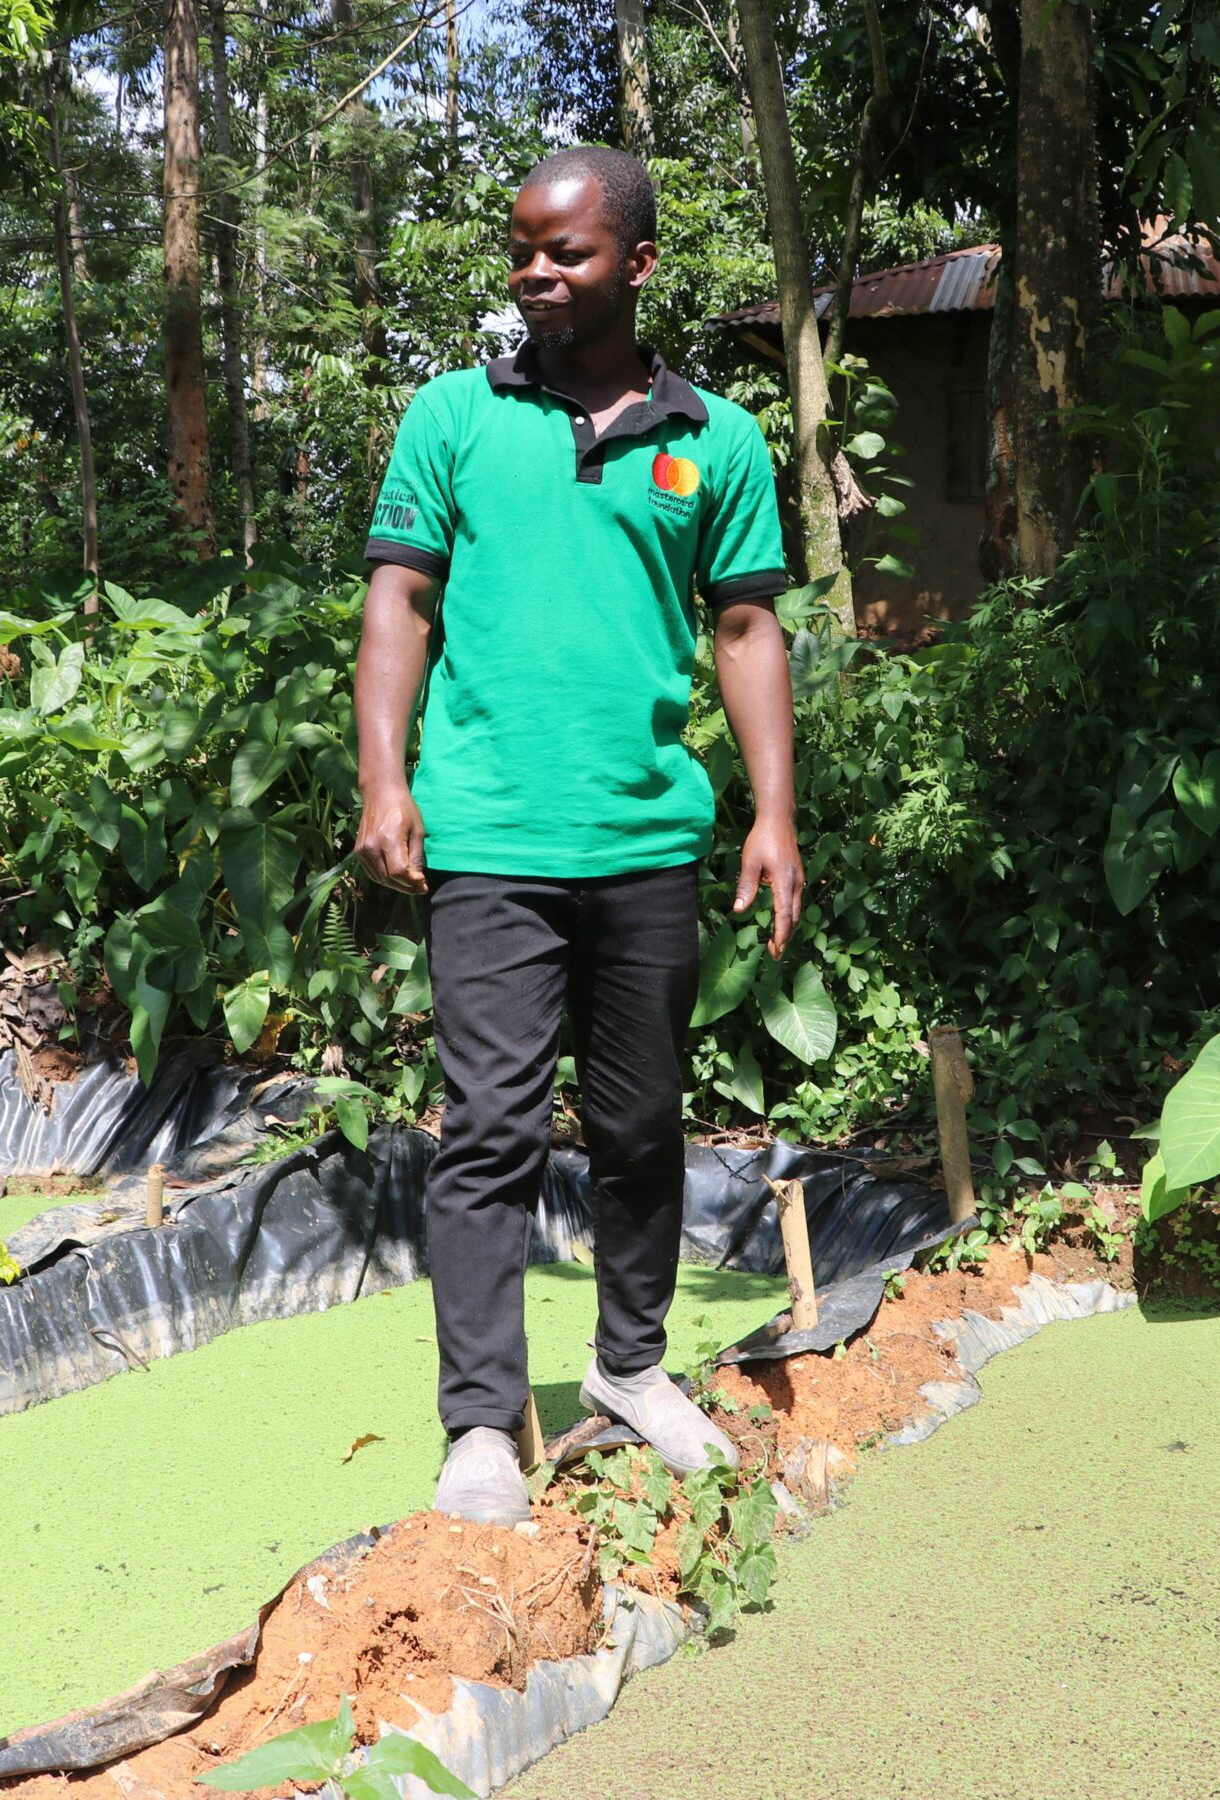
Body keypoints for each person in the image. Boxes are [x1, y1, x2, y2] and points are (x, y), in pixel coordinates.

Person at [353, 145, 805, 1526]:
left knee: (637, 1124)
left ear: (640, 265)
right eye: (523, 251)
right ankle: (484, 1424)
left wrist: (774, 812)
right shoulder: (451, 417)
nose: (536, 274)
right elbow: (400, 608)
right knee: (488, 1127)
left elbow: (744, 628)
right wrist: (386, 779)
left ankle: (629, 1369)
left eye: (568, 253)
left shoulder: (713, 442)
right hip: (488, 835)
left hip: (647, 839)